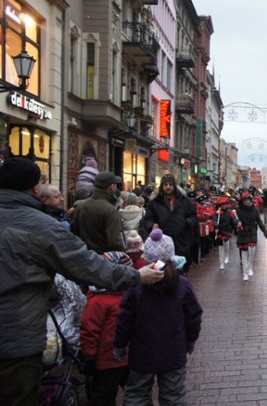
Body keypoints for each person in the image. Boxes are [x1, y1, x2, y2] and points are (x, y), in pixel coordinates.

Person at [0, 157, 163, 405]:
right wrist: (133, 274)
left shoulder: (80, 207)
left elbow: (75, 237)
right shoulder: (39, 224)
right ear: (35, 189)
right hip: (16, 335)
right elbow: (86, 258)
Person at [114, 239, 203, 405]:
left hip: (141, 354)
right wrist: (190, 340)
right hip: (174, 352)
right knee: (173, 397)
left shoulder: (137, 286)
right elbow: (194, 316)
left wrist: (120, 345)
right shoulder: (182, 284)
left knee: (137, 396)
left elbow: (124, 319)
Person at [80, 252, 136, 405]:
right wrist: (90, 356)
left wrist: (89, 356)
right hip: (111, 361)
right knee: (131, 395)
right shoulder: (101, 302)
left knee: (106, 397)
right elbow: (89, 331)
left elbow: (88, 331)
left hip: (112, 360)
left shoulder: (98, 300)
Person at [141, 173, 198, 273]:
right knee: (162, 272)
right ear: (162, 186)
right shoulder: (155, 202)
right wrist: (152, 225)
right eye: (165, 184)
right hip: (162, 244)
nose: (168, 187)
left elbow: (193, 216)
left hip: (181, 241)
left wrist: (186, 223)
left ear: (174, 186)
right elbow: (147, 220)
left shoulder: (185, 201)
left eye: (170, 184)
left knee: (181, 272)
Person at [71, 171, 125, 254]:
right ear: (112, 187)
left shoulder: (81, 207)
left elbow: (73, 233)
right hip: (103, 259)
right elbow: (115, 242)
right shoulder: (110, 210)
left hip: (84, 256)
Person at [235, 191, 267, 281]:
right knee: (243, 253)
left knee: (252, 250)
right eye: (245, 200)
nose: (247, 201)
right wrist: (236, 223)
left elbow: (259, 221)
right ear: (242, 201)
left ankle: (250, 266)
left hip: (252, 231)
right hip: (242, 232)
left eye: (248, 200)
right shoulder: (238, 210)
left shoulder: (254, 210)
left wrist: (264, 231)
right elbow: (234, 220)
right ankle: (245, 273)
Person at [214, 196, 238, 270]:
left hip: (227, 230)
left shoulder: (230, 212)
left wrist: (235, 220)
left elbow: (234, 222)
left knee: (226, 244)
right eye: (222, 204)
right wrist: (216, 227)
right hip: (220, 231)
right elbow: (215, 221)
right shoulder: (217, 213)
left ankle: (227, 255)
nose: (224, 205)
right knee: (220, 247)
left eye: (225, 204)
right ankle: (221, 263)